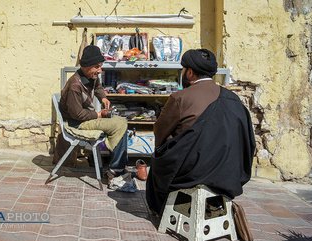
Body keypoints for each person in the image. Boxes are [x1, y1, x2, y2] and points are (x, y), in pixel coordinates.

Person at [146, 49, 256, 215]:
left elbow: (160, 133)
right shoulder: (234, 99)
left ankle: (161, 209)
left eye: (183, 70)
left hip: (190, 175)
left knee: (158, 163)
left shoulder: (180, 98)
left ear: (189, 72)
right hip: (228, 176)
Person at [53, 45, 128, 177]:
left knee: (121, 122)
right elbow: (77, 114)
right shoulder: (74, 86)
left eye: (100, 66)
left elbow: (98, 86)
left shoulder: (90, 76)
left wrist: (103, 98)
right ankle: (116, 170)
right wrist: (98, 115)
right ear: (86, 66)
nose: (100, 70)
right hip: (76, 123)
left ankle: (118, 166)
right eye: (97, 67)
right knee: (118, 125)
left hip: (85, 118)